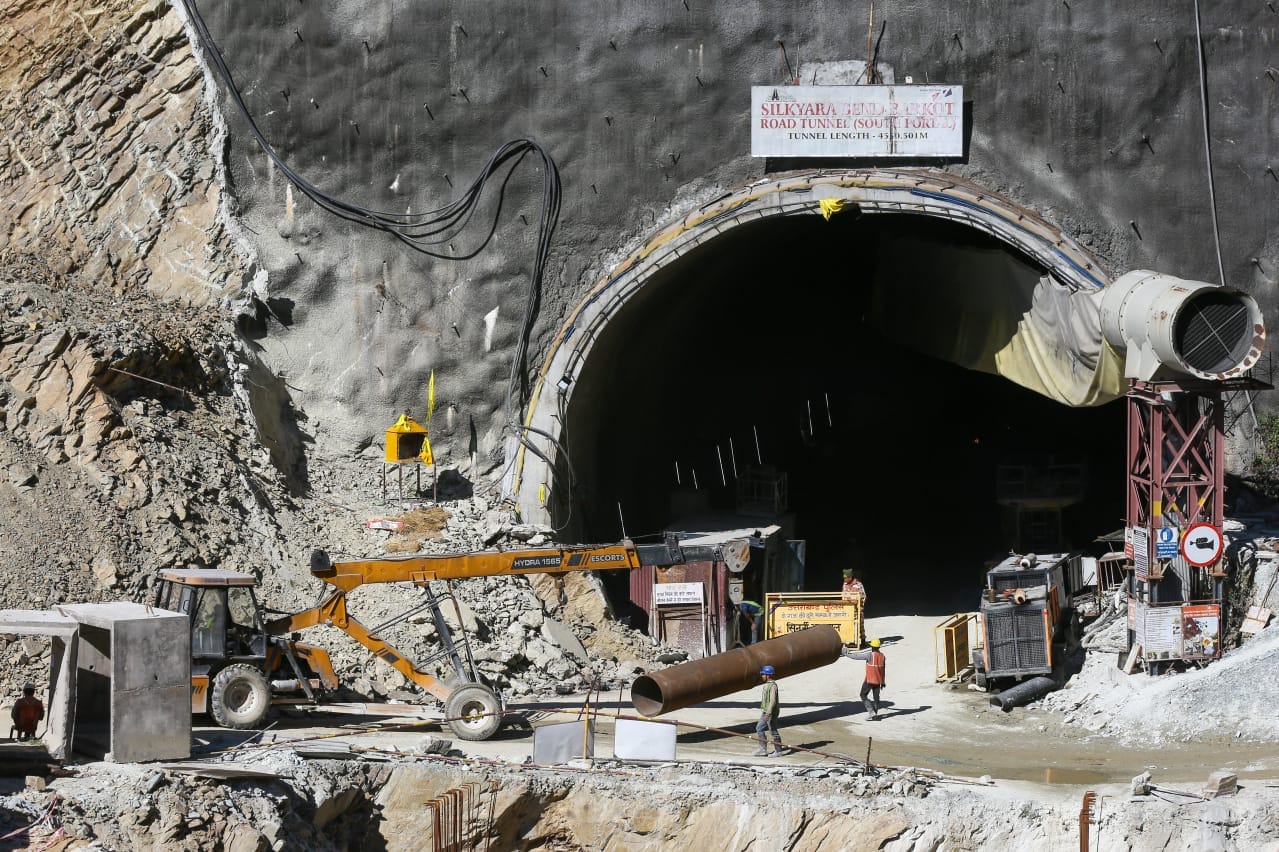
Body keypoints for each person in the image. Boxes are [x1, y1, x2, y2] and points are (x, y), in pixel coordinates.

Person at [842, 638, 886, 720]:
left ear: (872, 647)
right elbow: (883, 670)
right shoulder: (883, 657)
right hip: (878, 681)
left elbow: (856, 656)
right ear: (879, 647)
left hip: (869, 680)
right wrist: (883, 682)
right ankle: (875, 715)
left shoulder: (870, 655)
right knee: (876, 698)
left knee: (863, 695)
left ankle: (871, 712)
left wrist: (846, 653)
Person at [752, 665, 790, 756]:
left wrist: (768, 714)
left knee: (773, 730)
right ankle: (762, 749)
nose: (762, 676)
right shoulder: (767, 685)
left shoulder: (773, 686)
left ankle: (778, 751)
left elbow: (772, 701)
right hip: (765, 711)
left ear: (768, 675)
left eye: (763, 674)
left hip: (771, 712)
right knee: (759, 728)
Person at [841, 569, 867, 646]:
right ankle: (851, 640)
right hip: (848, 609)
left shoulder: (858, 584)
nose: (845, 579)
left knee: (860, 625)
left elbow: (863, 596)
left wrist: (855, 602)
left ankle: (863, 641)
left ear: (850, 577)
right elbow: (843, 594)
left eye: (846, 578)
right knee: (849, 625)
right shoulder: (845, 584)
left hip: (857, 608)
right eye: (844, 578)